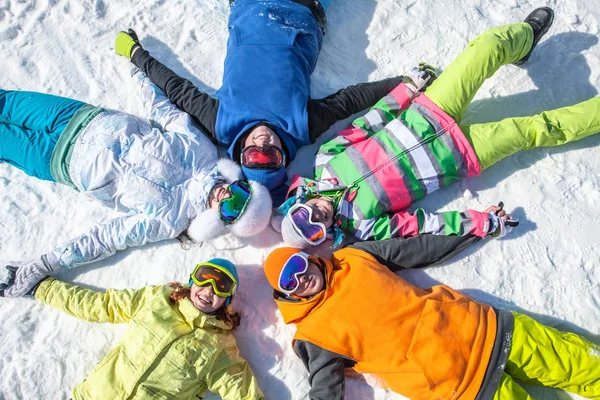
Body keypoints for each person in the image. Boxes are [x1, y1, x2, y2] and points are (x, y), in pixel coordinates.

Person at [272, 7, 600, 249]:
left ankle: (524, 38)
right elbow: (425, 226)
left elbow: (368, 123)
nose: (317, 218)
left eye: (304, 217)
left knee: (486, 48)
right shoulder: (365, 224)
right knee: (537, 129)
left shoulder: (326, 160)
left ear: (299, 202)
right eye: (314, 231)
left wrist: (408, 89)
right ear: (325, 236)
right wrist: (482, 222)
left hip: (428, 110)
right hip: (460, 154)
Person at [0, 69, 272, 298]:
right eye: (241, 190)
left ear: (223, 220)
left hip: (57, 159)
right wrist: (138, 67)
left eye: (234, 207)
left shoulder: (171, 219)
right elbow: (164, 111)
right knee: (5, 103)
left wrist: (43, 264)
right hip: (79, 117)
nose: (228, 194)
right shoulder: (203, 151)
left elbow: (106, 238)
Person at [113, 0, 413, 204]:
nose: (263, 144)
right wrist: (404, 84)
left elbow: (177, 89)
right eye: (272, 156)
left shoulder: (221, 123)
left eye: (255, 157)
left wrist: (136, 55)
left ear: (241, 157)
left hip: (250, 8)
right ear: (284, 158)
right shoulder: (302, 125)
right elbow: (350, 101)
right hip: (301, 10)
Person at [263, 245, 600, 399]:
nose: (301, 278)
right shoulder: (313, 334)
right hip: (464, 388)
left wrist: (472, 228)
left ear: (308, 258)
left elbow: (413, 249)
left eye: (298, 266)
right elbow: (325, 391)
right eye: (289, 282)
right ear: (287, 295)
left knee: (586, 367)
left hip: (489, 329)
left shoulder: (352, 259)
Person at [7, 258, 264, 399]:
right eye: (204, 277)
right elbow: (101, 305)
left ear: (227, 299)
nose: (208, 290)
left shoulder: (219, 347)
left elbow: (242, 393)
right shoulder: (158, 301)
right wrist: (42, 288)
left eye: (221, 287)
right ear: (192, 279)